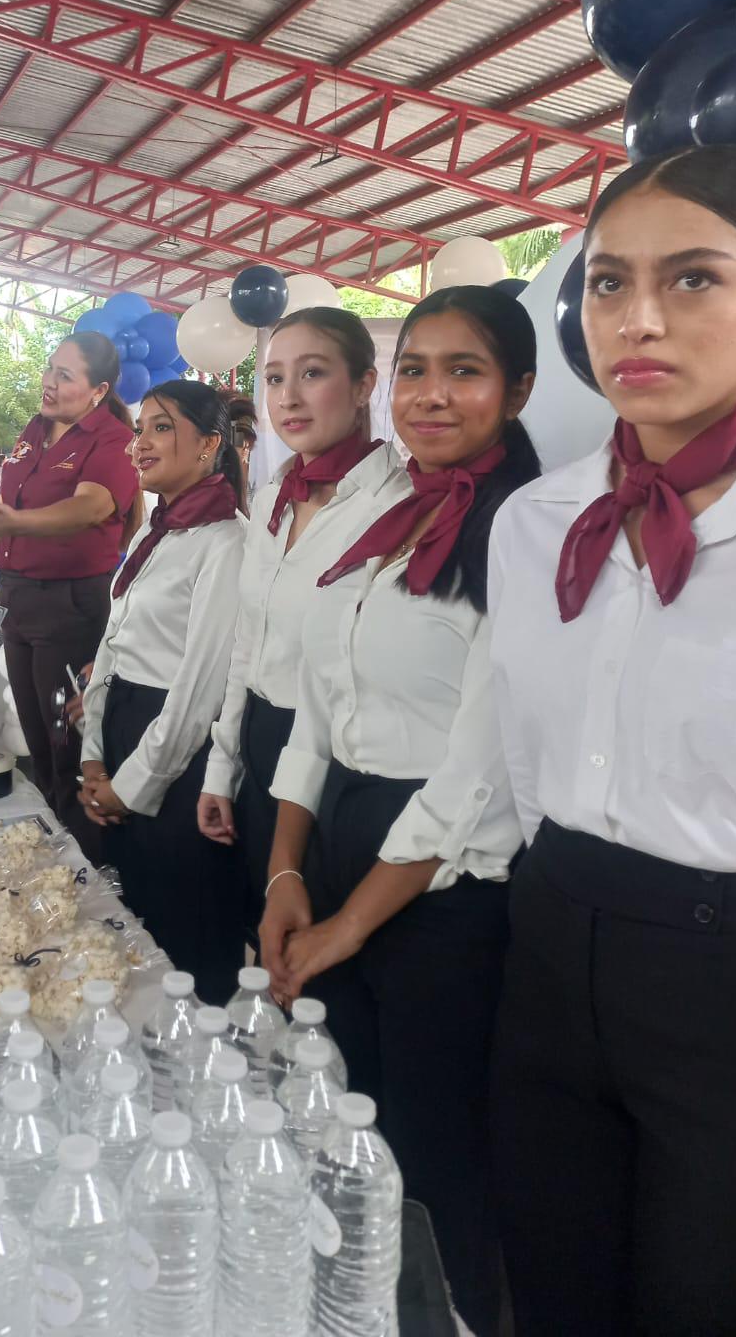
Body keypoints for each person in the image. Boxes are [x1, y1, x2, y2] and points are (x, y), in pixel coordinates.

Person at [488, 147, 736, 1337]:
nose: (635, 320)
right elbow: (521, 757)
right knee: (554, 1280)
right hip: (551, 937)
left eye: (695, 278)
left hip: (719, 974)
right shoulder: (536, 523)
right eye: (604, 282)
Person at [262, 286, 540, 1335]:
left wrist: (349, 921)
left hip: (445, 890)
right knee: (345, 1124)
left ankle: (451, 1317)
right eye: (414, 368)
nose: (430, 394)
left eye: (463, 371)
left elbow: (478, 768)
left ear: (516, 389)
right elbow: (314, 708)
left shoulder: (526, 530)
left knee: (434, 1153)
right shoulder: (382, 518)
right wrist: (289, 872)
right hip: (338, 844)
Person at [197, 309, 406, 942]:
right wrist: (222, 764)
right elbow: (245, 642)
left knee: (310, 945)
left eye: (312, 374)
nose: (288, 397)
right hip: (260, 738)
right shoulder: (269, 500)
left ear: (366, 385)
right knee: (249, 928)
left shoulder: (395, 507)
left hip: (334, 754)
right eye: (275, 378)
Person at [79, 381, 248, 1003]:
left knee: (187, 939)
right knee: (137, 924)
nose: (141, 443)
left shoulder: (226, 542)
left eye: (161, 428)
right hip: (126, 728)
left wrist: (128, 786)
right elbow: (112, 645)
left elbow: (199, 689)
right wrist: (93, 754)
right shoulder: (159, 531)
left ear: (209, 445)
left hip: (176, 757)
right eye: (140, 428)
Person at [0, 332, 138, 854]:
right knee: (37, 738)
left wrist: (16, 524)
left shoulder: (111, 440)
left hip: (69, 608)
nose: (49, 382)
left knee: (70, 745)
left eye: (65, 375)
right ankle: (59, 851)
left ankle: (91, 864)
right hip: (18, 599)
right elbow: (8, 511)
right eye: (49, 369)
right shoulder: (36, 430)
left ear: (98, 390)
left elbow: (90, 508)